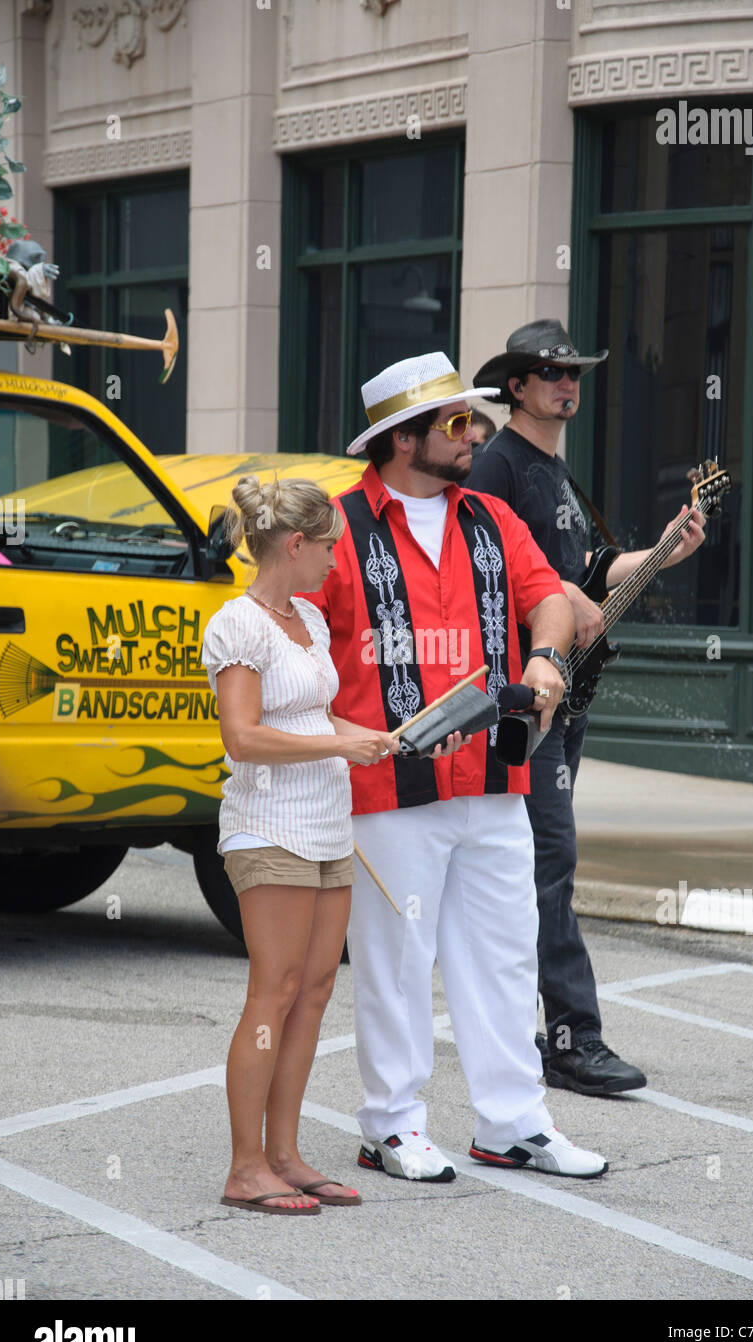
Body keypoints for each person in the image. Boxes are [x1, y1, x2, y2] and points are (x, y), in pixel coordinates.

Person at [300, 350, 609, 1181]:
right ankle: (390, 1125)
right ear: (402, 439)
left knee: (505, 954)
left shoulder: (489, 518)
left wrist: (544, 659)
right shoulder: (335, 527)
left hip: (493, 774)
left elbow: (546, 594)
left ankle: (512, 1122)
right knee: (396, 961)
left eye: (471, 419)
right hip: (384, 786)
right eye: (456, 422)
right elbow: (295, 638)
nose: (473, 432)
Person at [470, 319, 706, 1094]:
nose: (567, 385)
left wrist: (666, 548)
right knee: (548, 864)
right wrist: (564, 599)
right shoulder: (497, 467)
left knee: (533, 867)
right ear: (516, 386)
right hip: (527, 699)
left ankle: (518, 1025)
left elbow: (596, 569)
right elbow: (494, 573)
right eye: (551, 374)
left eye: (574, 374)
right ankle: (572, 1037)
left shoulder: (557, 475)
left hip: (566, 699)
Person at [201, 474, 400, 1215]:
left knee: (314, 993)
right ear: (293, 544)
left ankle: (282, 1154)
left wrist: (366, 739)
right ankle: (244, 1166)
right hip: (267, 827)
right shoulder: (238, 624)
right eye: (326, 548)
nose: (333, 563)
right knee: (274, 991)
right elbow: (244, 738)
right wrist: (339, 745)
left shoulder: (309, 623)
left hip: (326, 825)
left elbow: (320, 721)